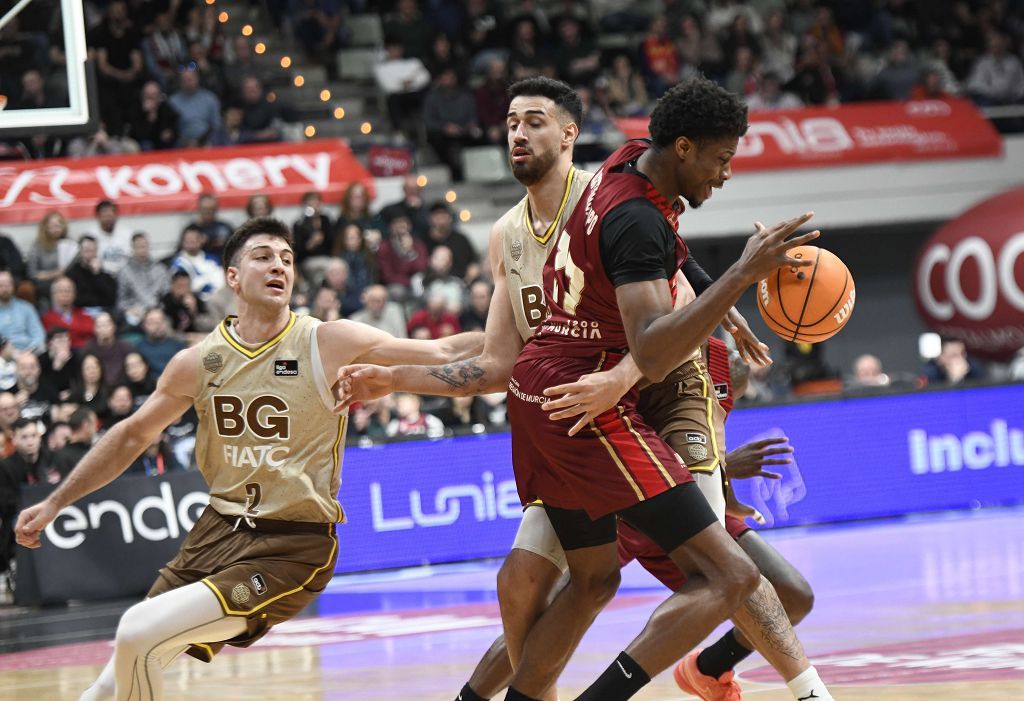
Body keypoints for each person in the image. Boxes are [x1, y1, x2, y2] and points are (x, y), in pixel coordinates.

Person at [335, 77, 830, 701]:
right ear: (681, 147)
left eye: (533, 121)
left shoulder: (620, 165)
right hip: (589, 397)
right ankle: (798, 688)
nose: (726, 175)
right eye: (722, 159)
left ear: (570, 135)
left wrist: (714, 296)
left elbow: (658, 275)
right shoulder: (571, 224)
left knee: (594, 581)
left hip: (570, 387)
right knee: (728, 576)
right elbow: (645, 342)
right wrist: (738, 276)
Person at [15, 217, 484, 701]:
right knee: (121, 668)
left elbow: (443, 350)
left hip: (292, 544)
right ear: (233, 277)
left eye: (287, 259)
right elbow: (132, 435)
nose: (279, 265)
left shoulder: (325, 341)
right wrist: (55, 503)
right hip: (216, 531)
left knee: (138, 628)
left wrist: (522, 331)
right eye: (263, 256)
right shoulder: (198, 361)